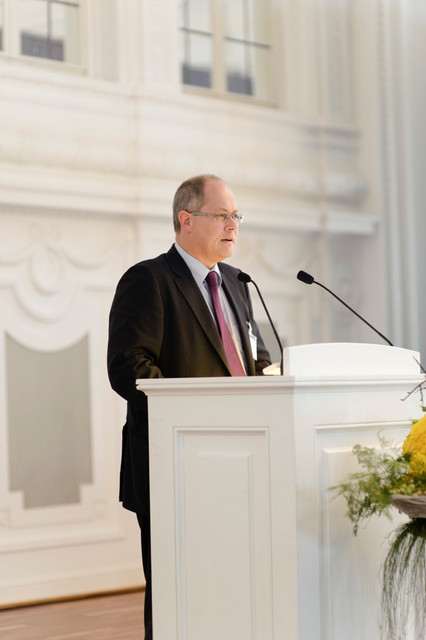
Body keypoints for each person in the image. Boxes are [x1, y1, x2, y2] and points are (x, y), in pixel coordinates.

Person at [107, 174, 271, 639]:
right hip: (173, 464)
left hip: (241, 461)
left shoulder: (239, 284)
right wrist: (199, 414)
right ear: (186, 219)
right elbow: (128, 368)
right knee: (176, 592)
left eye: (236, 216)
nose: (233, 226)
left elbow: (254, 361)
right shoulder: (149, 280)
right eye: (222, 215)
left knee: (231, 585)